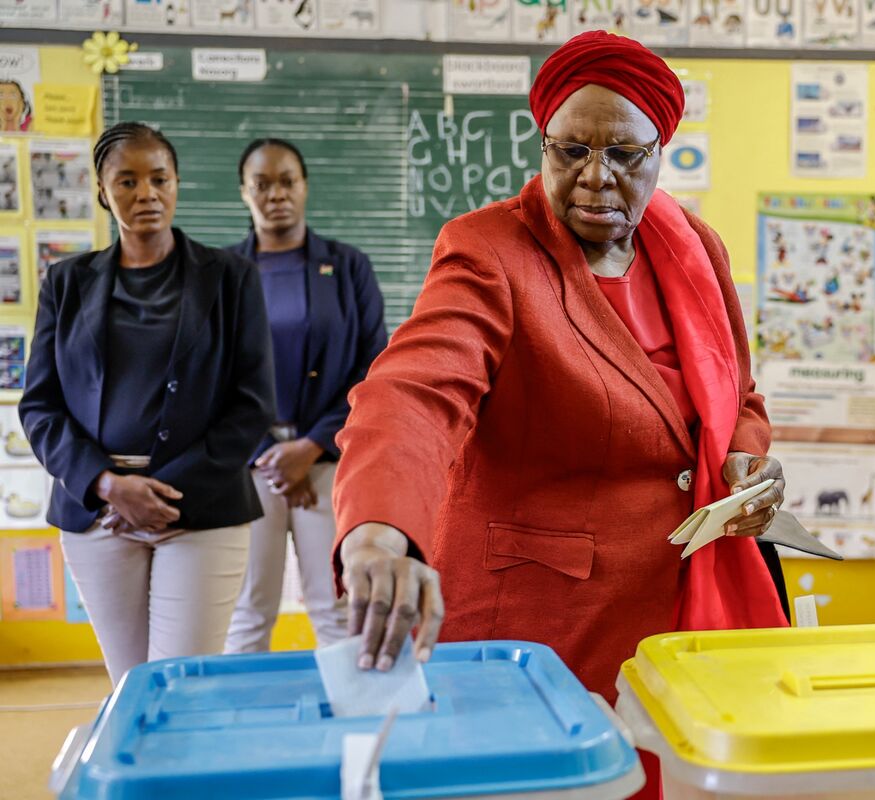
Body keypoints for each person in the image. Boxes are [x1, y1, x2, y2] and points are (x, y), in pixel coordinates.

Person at [333, 31, 789, 697]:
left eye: (625, 154)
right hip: (543, 621)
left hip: (684, 609)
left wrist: (745, 459)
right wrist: (376, 533)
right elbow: (415, 393)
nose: (596, 175)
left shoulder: (695, 248)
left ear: (661, 152)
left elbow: (737, 392)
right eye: (572, 150)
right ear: (544, 143)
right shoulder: (490, 252)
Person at [19, 122, 275, 685]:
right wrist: (109, 486)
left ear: (177, 182)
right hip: (97, 511)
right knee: (130, 685)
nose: (146, 193)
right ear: (103, 191)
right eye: (127, 181)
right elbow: (39, 406)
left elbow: (253, 404)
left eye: (159, 178)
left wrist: (161, 493)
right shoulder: (66, 282)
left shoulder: (231, 278)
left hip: (202, 510)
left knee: (181, 685)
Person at [223, 139, 387, 653]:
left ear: (305, 185)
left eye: (287, 181)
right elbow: (208, 376)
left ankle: (353, 727)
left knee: (338, 606)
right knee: (246, 611)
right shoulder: (221, 274)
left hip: (329, 462)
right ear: (244, 192)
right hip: (249, 467)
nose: (276, 195)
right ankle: (243, 727)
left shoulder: (347, 267)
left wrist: (310, 447)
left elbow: (374, 367)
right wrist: (268, 456)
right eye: (262, 184)